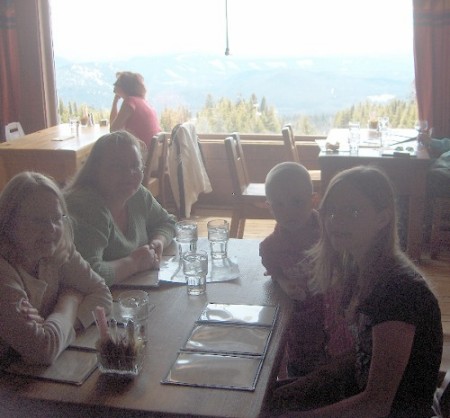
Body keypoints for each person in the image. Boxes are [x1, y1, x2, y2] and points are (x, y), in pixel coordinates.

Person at [270, 166, 443, 417]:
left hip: (397, 411)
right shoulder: (356, 267)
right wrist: (306, 384)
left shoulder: (398, 293)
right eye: (331, 211)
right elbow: (362, 355)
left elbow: (376, 404)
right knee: (265, 397)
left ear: (383, 218)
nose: (336, 221)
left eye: (352, 211)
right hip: (358, 391)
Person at [0, 172, 112, 366]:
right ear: (9, 222)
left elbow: (102, 296)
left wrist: (53, 327)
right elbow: (43, 350)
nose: (51, 229)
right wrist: (69, 300)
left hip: (27, 372)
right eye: (38, 220)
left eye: (56, 218)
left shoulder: (58, 250)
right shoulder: (4, 272)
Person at [260, 162, 353, 378]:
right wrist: (283, 282)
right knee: (301, 357)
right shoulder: (271, 246)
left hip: (336, 309)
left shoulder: (328, 232)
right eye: (279, 205)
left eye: (296, 202)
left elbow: (349, 260)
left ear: (314, 200)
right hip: (301, 317)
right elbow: (272, 268)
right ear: (269, 206)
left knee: (339, 360)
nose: (288, 211)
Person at [64, 130, 176, 287]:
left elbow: (167, 222)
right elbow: (87, 274)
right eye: (117, 167)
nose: (129, 173)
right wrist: (133, 263)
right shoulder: (86, 206)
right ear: (95, 171)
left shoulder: (137, 194)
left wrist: (158, 242)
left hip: (129, 290)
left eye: (135, 166)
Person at [109, 71, 161, 148]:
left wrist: (114, 103)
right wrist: (115, 102)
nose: (114, 84)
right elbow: (114, 127)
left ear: (125, 86)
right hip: (151, 153)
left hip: (140, 153)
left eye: (117, 83)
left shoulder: (130, 102)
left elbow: (113, 131)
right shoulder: (142, 101)